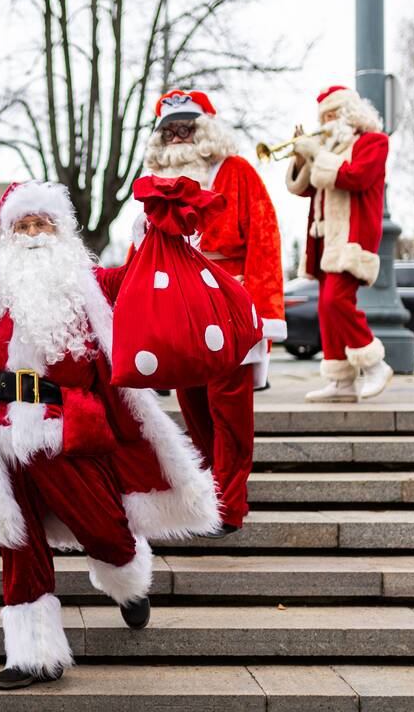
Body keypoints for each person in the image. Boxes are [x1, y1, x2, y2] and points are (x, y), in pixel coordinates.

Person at [0, 180, 220, 690]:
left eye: (43, 224)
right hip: (3, 436)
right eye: (23, 225)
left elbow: (142, 280)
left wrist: (159, 229)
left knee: (104, 528)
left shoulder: (92, 283)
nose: (34, 233)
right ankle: (34, 656)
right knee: (18, 545)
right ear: (6, 235)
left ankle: (128, 578)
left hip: (71, 430)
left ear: (62, 232)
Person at [144, 89, 284, 536]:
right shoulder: (154, 181)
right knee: (193, 404)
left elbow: (265, 240)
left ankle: (229, 504)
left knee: (230, 410)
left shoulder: (236, 172)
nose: (179, 136)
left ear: (206, 128)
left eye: (187, 126)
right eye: (170, 129)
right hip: (179, 309)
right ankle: (207, 496)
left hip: (230, 302)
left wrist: (266, 312)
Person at [287, 85, 392, 402]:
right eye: (324, 116)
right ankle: (342, 382)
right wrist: (299, 157)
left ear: (351, 114)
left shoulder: (374, 142)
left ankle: (375, 364)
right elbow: (302, 189)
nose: (328, 121)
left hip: (352, 239)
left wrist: (317, 154)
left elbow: (355, 177)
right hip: (323, 241)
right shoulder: (327, 150)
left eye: (334, 114)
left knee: (336, 302)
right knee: (326, 308)